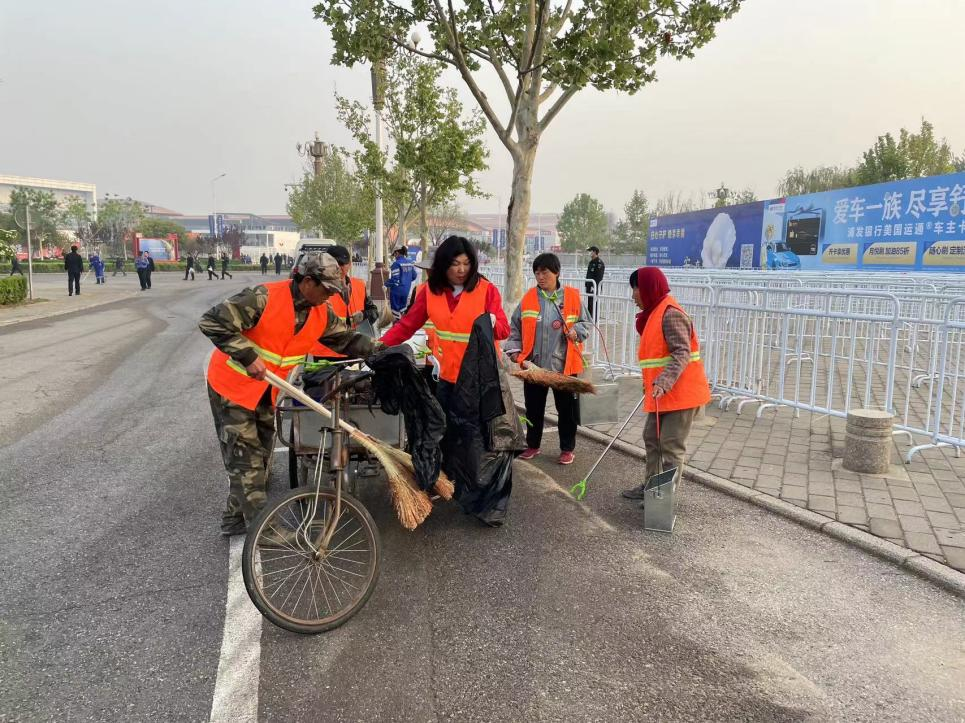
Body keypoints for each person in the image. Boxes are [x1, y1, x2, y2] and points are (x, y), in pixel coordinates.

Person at [200, 252, 381, 536]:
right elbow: (212, 321)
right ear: (307, 281)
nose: (330, 296)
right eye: (327, 290)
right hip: (232, 386)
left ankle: (235, 517)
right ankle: (265, 531)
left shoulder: (320, 312)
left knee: (260, 455)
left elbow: (345, 339)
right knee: (245, 458)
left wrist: (382, 351)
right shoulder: (263, 298)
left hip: (266, 390)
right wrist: (247, 356)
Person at [381, 235, 521, 527]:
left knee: (481, 444)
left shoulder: (486, 290)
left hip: (481, 383)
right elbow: (407, 325)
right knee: (449, 437)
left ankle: (486, 502)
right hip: (447, 378)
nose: (461, 269)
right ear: (443, 265)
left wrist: (492, 321)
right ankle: (453, 486)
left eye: (467, 263)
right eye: (455, 263)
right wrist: (380, 346)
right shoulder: (429, 293)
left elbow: (504, 330)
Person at [621, 267, 711, 503]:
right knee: (651, 439)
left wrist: (663, 381)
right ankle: (652, 488)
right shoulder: (654, 312)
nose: (633, 296)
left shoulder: (671, 314)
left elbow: (682, 352)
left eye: (635, 289)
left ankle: (662, 500)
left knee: (670, 446)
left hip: (681, 395)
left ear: (648, 288)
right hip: (661, 395)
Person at [503, 253, 591, 465]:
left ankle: (567, 449)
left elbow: (586, 323)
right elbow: (515, 327)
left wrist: (577, 332)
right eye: (537, 273)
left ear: (557, 272)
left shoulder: (572, 297)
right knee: (533, 408)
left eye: (545, 272)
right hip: (534, 367)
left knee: (566, 410)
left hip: (564, 366)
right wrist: (514, 351)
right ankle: (532, 445)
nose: (540, 277)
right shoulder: (529, 298)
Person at [311, 245, 378, 357]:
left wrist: (363, 315)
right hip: (327, 353)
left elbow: (374, 312)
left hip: (355, 350)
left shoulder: (359, 285)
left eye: (343, 264)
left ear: (350, 264)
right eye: (336, 264)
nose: (340, 268)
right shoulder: (318, 288)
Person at [384, 245, 417, 321]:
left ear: (397, 253)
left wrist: (386, 284)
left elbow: (395, 280)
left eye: (394, 255)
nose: (394, 257)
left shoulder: (396, 264)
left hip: (396, 292)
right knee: (403, 310)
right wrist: (406, 281)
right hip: (406, 291)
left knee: (395, 312)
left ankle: (396, 325)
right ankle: (402, 325)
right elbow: (414, 276)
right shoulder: (409, 263)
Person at [584, 246, 605, 319]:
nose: (589, 253)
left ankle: (594, 319)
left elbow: (599, 277)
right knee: (590, 303)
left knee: (594, 304)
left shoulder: (599, 263)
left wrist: (594, 286)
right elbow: (588, 274)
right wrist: (586, 285)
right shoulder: (591, 262)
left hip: (594, 287)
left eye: (590, 251)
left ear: (595, 252)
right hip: (589, 286)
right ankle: (590, 318)